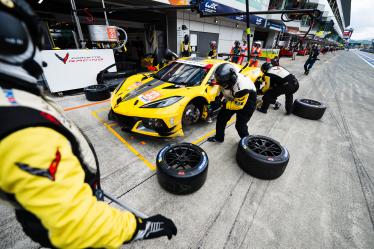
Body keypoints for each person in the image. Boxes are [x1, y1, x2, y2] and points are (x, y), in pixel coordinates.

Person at [0, 1, 177, 248]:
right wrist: (142, 227)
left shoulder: (16, 102)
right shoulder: (23, 130)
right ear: (17, 38)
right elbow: (79, 225)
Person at [207, 63, 257, 143]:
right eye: (220, 82)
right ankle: (219, 138)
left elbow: (238, 106)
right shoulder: (224, 79)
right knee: (221, 118)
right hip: (233, 97)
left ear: (232, 79)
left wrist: (222, 104)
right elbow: (221, 89)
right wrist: (218, 99)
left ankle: (248, 144)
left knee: (240, 126)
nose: (222, 85)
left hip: (248, 103)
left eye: (223, 83)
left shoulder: (243, 87)